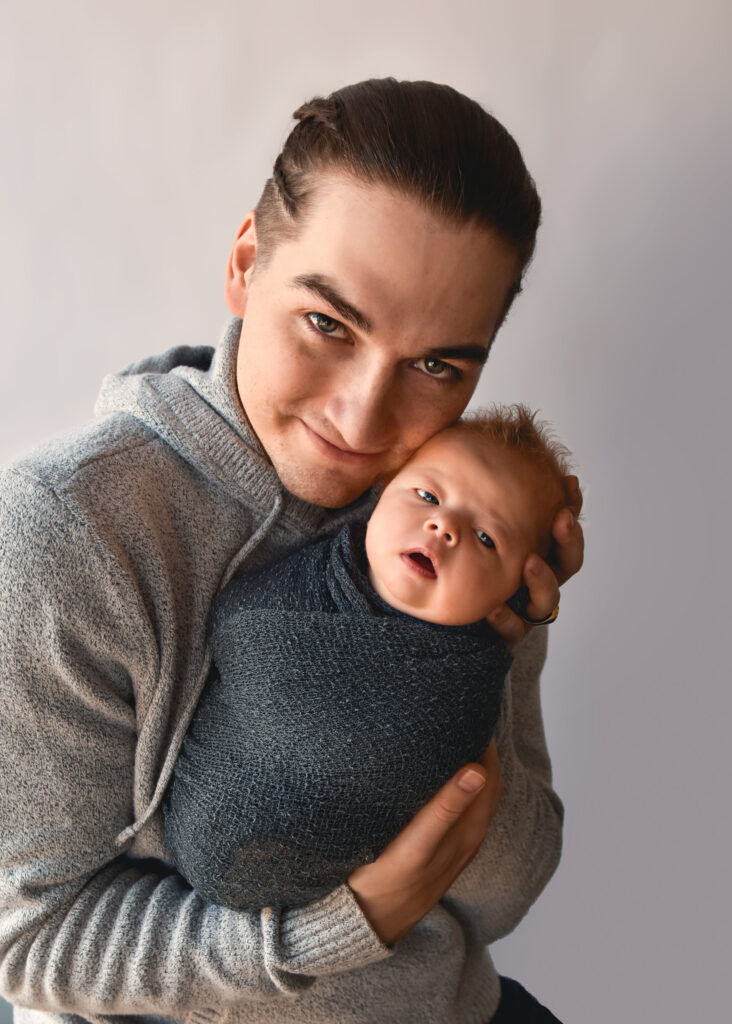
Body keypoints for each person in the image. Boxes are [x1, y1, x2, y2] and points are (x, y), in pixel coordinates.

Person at [0, 78, 583, 1024]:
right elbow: (29, 943)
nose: (363, 416)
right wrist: (354, 920)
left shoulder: (461, 515)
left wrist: (481, 648)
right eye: (328, 323)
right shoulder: (69, 528)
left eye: (437, 366)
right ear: (243, 264)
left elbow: (501, 898)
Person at [164, 406, 572, 913]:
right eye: (427, 496)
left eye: (487, 538)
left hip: (360, 913)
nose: (443, 525)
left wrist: (517, 643)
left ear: (515, 590)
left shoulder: (473, 680)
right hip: (204, 836)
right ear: (380, 493)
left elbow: (503, 888)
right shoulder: (311, 573)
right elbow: (239, 625)